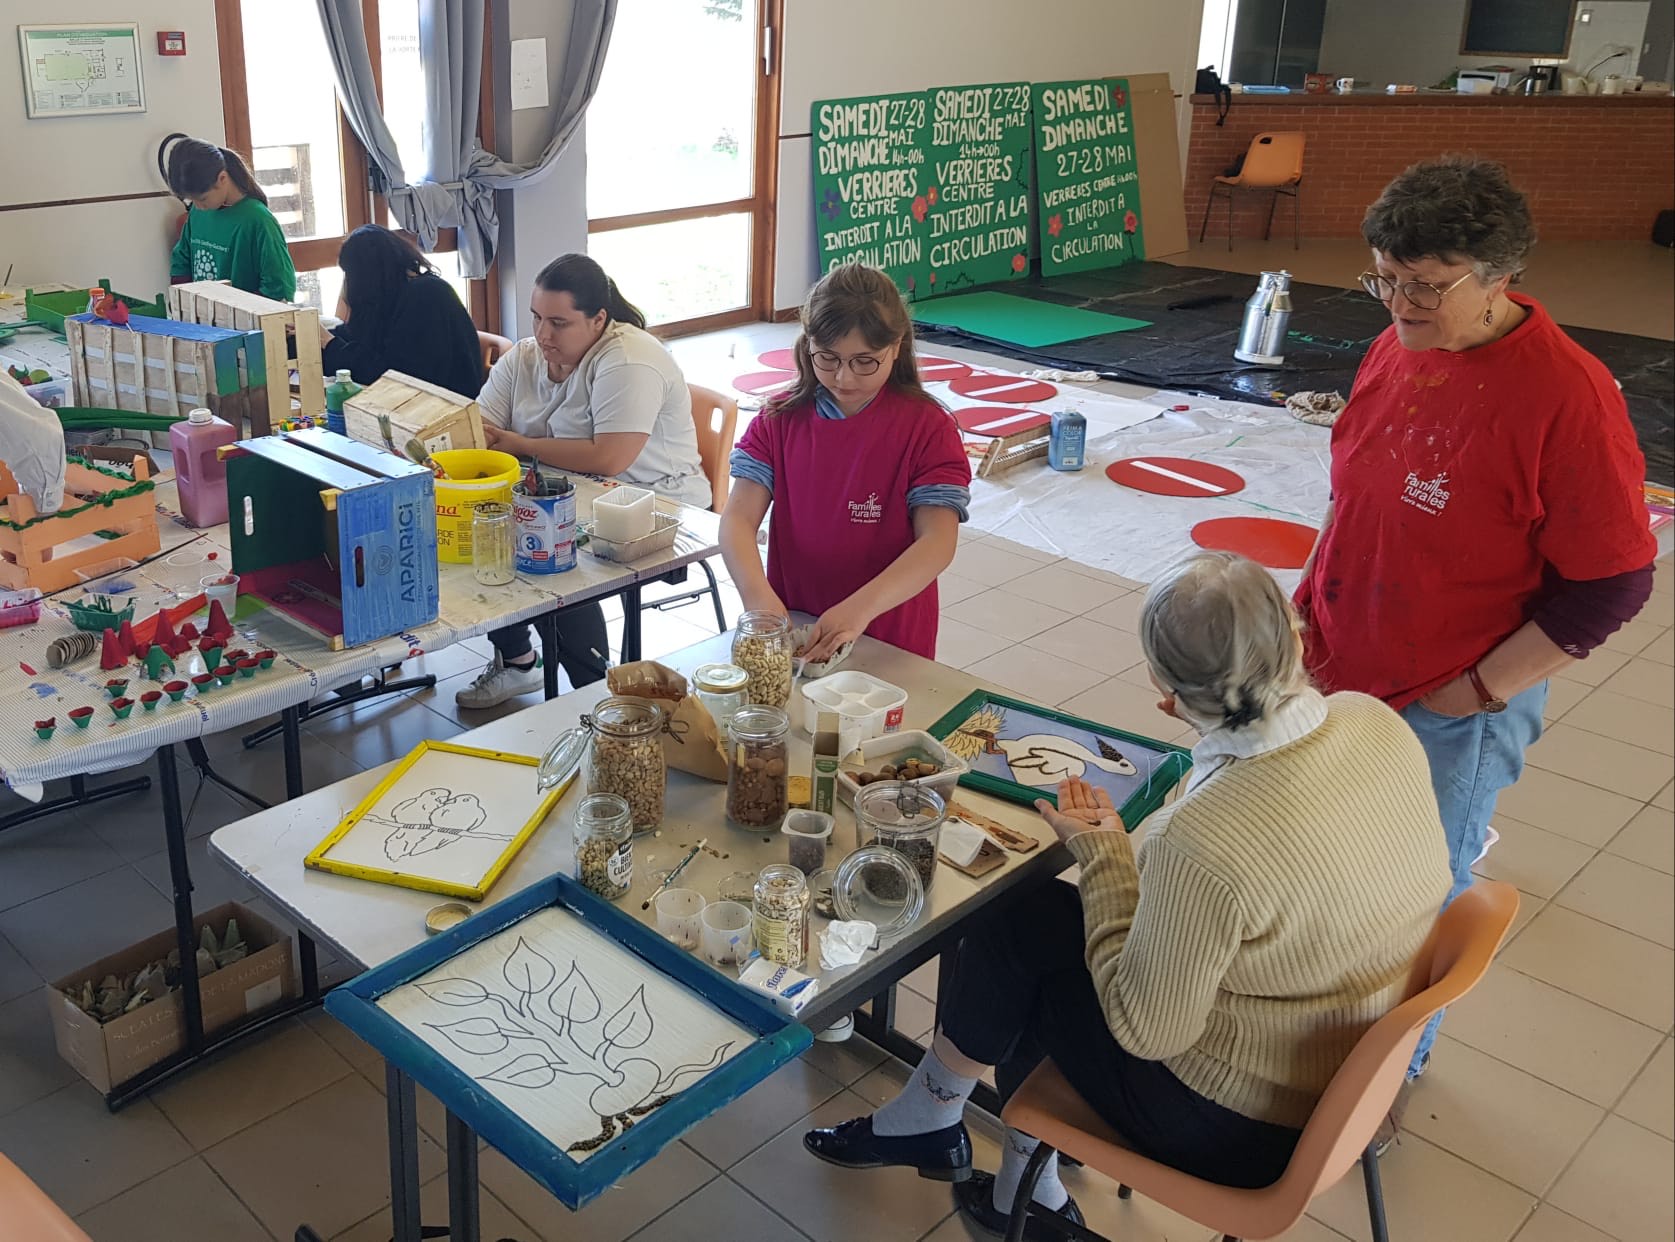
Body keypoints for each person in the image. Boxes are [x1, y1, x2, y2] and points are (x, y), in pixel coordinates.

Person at [803, 551, 1452, 1237]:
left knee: (1032, 967)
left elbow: (1143, 1029)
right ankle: (941, 1120)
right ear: (1293, 635)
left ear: (1167, 696)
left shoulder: (1204, 840)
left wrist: (1106, 858)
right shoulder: (1371, 721)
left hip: (1239, 1123)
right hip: (1340, 1067)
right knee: (1025, 915)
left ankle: (1002, 1167)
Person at [1292, 155, 1658, 1075]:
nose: (1398, 304)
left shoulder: (1565, 397)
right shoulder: (1398, 344)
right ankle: (1315, 1023)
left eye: (1424, 285)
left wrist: (1475, 693)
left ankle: (1388, 1075)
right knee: (1331, 852)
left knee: (1419, 889)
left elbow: (1614, 584)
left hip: (1453, 695)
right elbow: (1353, 496)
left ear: (1500, 277)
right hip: (1346, 658)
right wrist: (1306, 603)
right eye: (1384, 278)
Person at [456, 254, 706, 708]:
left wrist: (517, 444)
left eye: (559, 323)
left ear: (598, 320)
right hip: (566, 490)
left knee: (554, 554)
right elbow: (480, 430)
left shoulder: (628, 360)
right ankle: (519, 661)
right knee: (485, 530)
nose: (543, 335)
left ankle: (595, 694)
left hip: (653, 500)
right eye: (536, 318)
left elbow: (609, 458)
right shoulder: (525, 357)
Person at [721, 264, 971, 663]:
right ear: (808, 345)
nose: (844, 378)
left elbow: (937, 541)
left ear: (896, 346)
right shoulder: (779, 419)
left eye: (864, 361)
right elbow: (737, 519)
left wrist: (860, 609)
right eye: (828, 358)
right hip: (798, 620)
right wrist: (758, 598)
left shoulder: (927, 428)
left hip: (888, 632)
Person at [318, 225, 483, 397]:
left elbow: (391, 377)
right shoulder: (392, 296)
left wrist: (330, 344)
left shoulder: (426, 296)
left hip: (441, 406)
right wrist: (316, 338)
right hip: (413, 401)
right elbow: (357, 335)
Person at [162, 134, 296, 302]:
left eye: (202, 199)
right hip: (204, 315)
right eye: (192, 200)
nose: (198, 206)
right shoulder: (198, 213)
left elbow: (279, 286)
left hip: (246, 316)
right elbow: (181, 259)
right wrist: (183, 300)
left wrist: (245, 310)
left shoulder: (258, 220)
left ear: (222, 179)